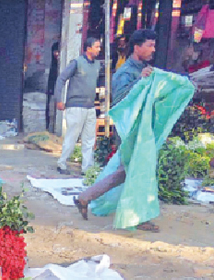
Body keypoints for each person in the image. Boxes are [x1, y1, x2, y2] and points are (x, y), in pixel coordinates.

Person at [74, 29, 160, 232]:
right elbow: (119, 98)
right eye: (149, 45)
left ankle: (85, 198)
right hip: (129, 129)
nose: (153, 49)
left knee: (128, 171)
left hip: (140, 127)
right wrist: (140, 80)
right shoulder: (126, 72)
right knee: (136, 171)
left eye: (154, 45)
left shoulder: (144, 69)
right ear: (137, 47)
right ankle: (137, 217)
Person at [55, 37, 102, 174]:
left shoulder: (97, 65)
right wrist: (59, 99)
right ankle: (62, 163)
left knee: (89, 139)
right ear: (88, 49)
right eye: (97, 47)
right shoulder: (77, 63)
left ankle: (86, 168)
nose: (99, 49)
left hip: (90, 107)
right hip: (75, 106)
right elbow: (61, 79)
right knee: (72, 136)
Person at [46, 42, 60, 131]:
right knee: (51, 108)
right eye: (55, 52)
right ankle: (49, 127)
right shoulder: (53, 65)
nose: (57, 54)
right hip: (52, 86)